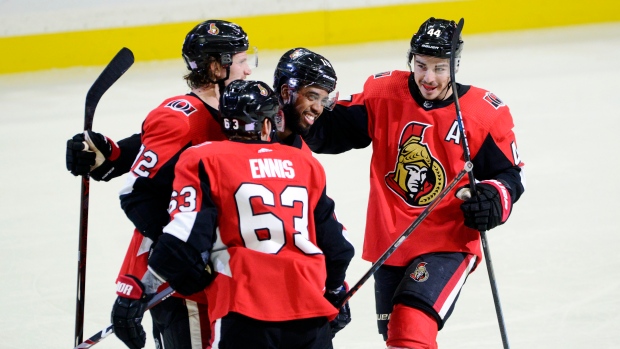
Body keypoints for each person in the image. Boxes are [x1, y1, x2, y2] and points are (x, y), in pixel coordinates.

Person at [66, 43, 353, 346]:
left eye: (324, 99)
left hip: (236, 293)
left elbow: (314, 227)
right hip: (188, 283)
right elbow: (150, 189)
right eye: (312, 96)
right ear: (283, 96)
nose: (319, 109)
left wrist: (335, 287)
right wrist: (114, 156)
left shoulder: (289, 150)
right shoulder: (228, 130)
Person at [303, 17, 526, 348]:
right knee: (394, 336)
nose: (429, 78)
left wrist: (492, 199)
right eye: (421, 66)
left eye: (439, 68)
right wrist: (305, 110)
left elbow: (509, 176)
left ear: (455, 65)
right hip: (389, 244)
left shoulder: (482, 113)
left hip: (446, 244)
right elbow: (332, 134)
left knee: (410, 332)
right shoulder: (383, 93)